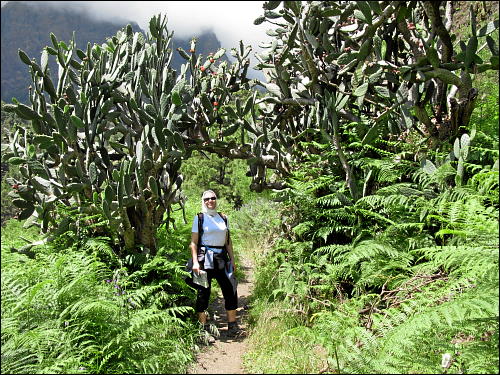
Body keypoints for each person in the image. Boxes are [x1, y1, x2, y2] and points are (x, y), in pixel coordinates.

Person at [189, 190, 239, 340]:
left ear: (216, 200)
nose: (210, 201)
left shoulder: (223, 218)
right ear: (203, 201)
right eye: (207, 199)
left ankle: (232, 325)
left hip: (222, 258)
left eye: (213, 198)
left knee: (230, 289)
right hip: (204, 259)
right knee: (203, 292)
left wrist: (232, 260)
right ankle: (203, 329)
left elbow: (228, 241)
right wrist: (195, 262)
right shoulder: (199, 218)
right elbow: (193, 243)